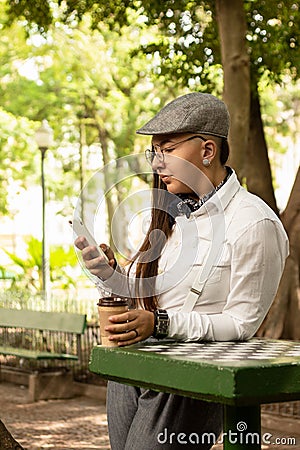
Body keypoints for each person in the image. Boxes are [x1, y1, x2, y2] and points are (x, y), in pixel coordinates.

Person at [75, 92, 289, 450]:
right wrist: (110, 274)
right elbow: (152, 293)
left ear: (207, 151)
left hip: (188, 381)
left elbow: (242, 324)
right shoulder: (172, 217)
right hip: (133, 366)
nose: (157, 164)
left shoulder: (254, 222)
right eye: (153, 152)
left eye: (168, 150)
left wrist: (159, 324)